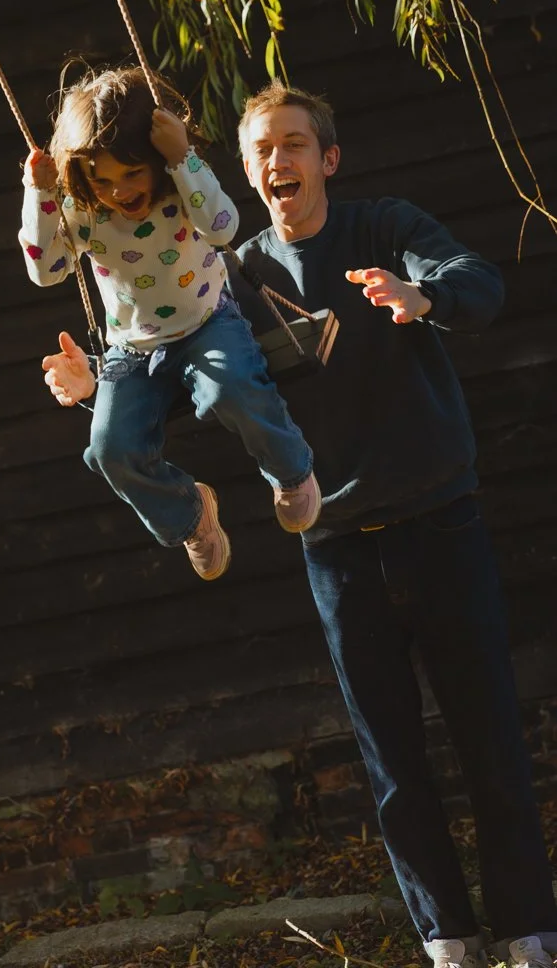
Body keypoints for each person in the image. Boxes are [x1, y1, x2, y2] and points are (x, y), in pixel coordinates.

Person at [41, 78, 557, 968]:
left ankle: (526, 932)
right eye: (259, 150)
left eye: (290, 144)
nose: (275, 160)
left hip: (439, 522)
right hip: (335, 549)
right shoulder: (225, 277)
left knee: (488, 737)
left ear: (326, 159)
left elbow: (478, 284)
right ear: (241, 170)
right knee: (392, 760)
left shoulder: (382, 225)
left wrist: (419, 294)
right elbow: (189, 391)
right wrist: (99, 394)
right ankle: (447, 939)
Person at [18, 65, 320, 581]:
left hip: (208, 322)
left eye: (133, 173)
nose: (120, 191)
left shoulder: (181, 185)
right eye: (104, 180)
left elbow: (225, 228)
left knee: (234, 390)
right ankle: (190, 515)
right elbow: (46, 271)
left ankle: (292, 473)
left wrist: (184, 158)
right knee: (109, 449)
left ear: (157, 161)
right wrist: (40, 194)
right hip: (130, 350)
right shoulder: (84, 211)